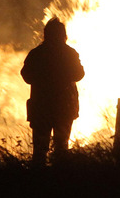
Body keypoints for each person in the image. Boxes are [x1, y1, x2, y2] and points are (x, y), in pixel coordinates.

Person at [21, 18, 85, 166]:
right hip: (64, 107)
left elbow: (27, 76)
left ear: (45, 34)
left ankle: (39, 180)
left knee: (40, 150)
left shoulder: (36, 53)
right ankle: (60, 180)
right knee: (62, 148)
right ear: (64, 35)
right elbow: (79, 74)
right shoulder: (69, 53)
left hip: (41, 107)